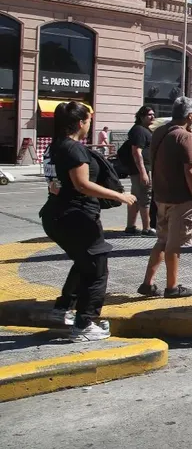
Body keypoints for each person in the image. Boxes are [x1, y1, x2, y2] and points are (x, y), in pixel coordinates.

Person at [42, 102, 136, 341]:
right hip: (77, 216)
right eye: (88, 121)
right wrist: (119, 196)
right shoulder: (73, 149)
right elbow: (82, 184)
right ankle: (85, 324)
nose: (89, 125)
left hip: (57, 214)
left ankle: (63, 308)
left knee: (84, 261)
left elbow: (56, 181)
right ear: (80, 123)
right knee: (96, 268)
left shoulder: (55, 146)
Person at [138, 97, 192, 298]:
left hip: (161, 195)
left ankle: (148, 283)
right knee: (174, 244)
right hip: (180, 197)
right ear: (189, 116)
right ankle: (172, 287)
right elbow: (191, 170)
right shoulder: (185, 136)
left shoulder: (160, 131)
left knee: (162, 240)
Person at [124, 106, 155, 237]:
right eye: (149, 115)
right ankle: (147, 228)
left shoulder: (143, 130)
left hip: (141, 169)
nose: (153, 117)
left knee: (136, 198)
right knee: (145, 198)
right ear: (141, 117)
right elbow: (136, 152)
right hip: (143, 170)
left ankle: (130, 226)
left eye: (153, 114)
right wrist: (143, 172)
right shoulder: (139, 130)